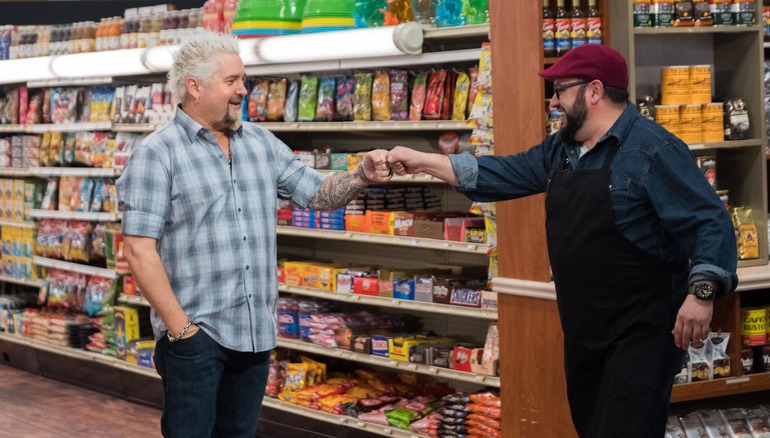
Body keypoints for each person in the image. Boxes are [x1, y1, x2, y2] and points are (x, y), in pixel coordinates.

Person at [387, 43, 738, 437]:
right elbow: (500, 173)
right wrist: (423, 161)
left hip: (642, 331)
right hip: (584, 327)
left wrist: (702, 292)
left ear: (594, 91)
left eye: (560, 90)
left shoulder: (653, 150)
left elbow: (710, 222)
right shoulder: (563, 150)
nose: (553, 102)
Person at [116, 32, 392, 438]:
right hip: (196, 338)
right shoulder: (158, 153)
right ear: (195, 86)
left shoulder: (261, 143)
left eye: (243, 79)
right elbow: (139, 249)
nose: (243, 90)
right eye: (232, 81)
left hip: (254, 335)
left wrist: (362, 174)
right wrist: (181, 330)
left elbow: (317, 194)